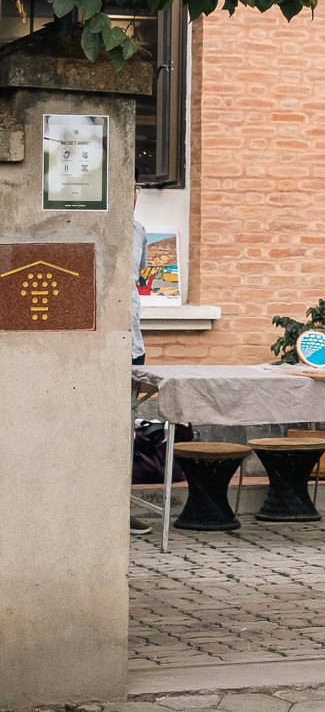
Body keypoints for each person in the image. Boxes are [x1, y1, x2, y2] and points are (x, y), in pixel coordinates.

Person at [130, 181, 152, 535]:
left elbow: (143, 281)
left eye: (136, 186)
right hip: (97, 343)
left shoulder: (139, 231)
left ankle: (124, 506)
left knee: (127, 431)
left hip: (132, 343)